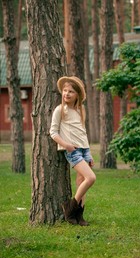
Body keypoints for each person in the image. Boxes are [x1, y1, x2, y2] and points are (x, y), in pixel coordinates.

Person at [50, 76, 96, 226]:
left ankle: (79, 215)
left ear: (77, 95)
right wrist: (66, 145)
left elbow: (83, 132)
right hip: (72, 150)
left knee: (82, 181)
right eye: (65, 91)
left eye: (71, 91)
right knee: (91, 178)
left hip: (83, 149)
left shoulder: (80, 110)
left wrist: (88, 153)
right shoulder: (60, 110)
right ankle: (69, 208)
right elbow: (53, 132)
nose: (67, 94)